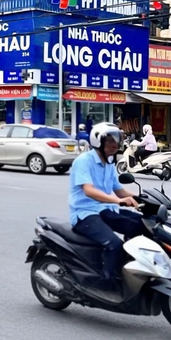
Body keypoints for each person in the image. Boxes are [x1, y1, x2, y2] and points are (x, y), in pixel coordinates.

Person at [70, 123, 144, 289]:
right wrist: (118, 201)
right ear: (98, 142)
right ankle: (105, 282)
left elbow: (119, 191)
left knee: (141, 225)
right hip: (85, 214)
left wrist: (145, 200)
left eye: (116, 141)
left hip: (105, 210)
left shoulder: (108, 163)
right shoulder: (83, 161)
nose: (115, 145)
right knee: (114, 244)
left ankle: (131, 268)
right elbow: (89, 191)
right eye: (110, 141)